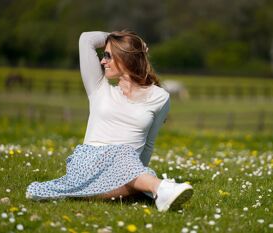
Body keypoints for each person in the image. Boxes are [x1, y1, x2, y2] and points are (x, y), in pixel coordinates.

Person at [26, 30, 193, 212]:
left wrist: (137, 172)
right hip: (88, 164)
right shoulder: (98, 87)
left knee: (135, 164)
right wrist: (120, 38)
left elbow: (148, 145)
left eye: (107, 56)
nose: (102, 61)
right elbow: (86, 39)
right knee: (124, 154)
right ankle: (160, 188)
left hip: (123, 168)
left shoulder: (160, 97)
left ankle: (152, 189)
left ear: (125, 57)